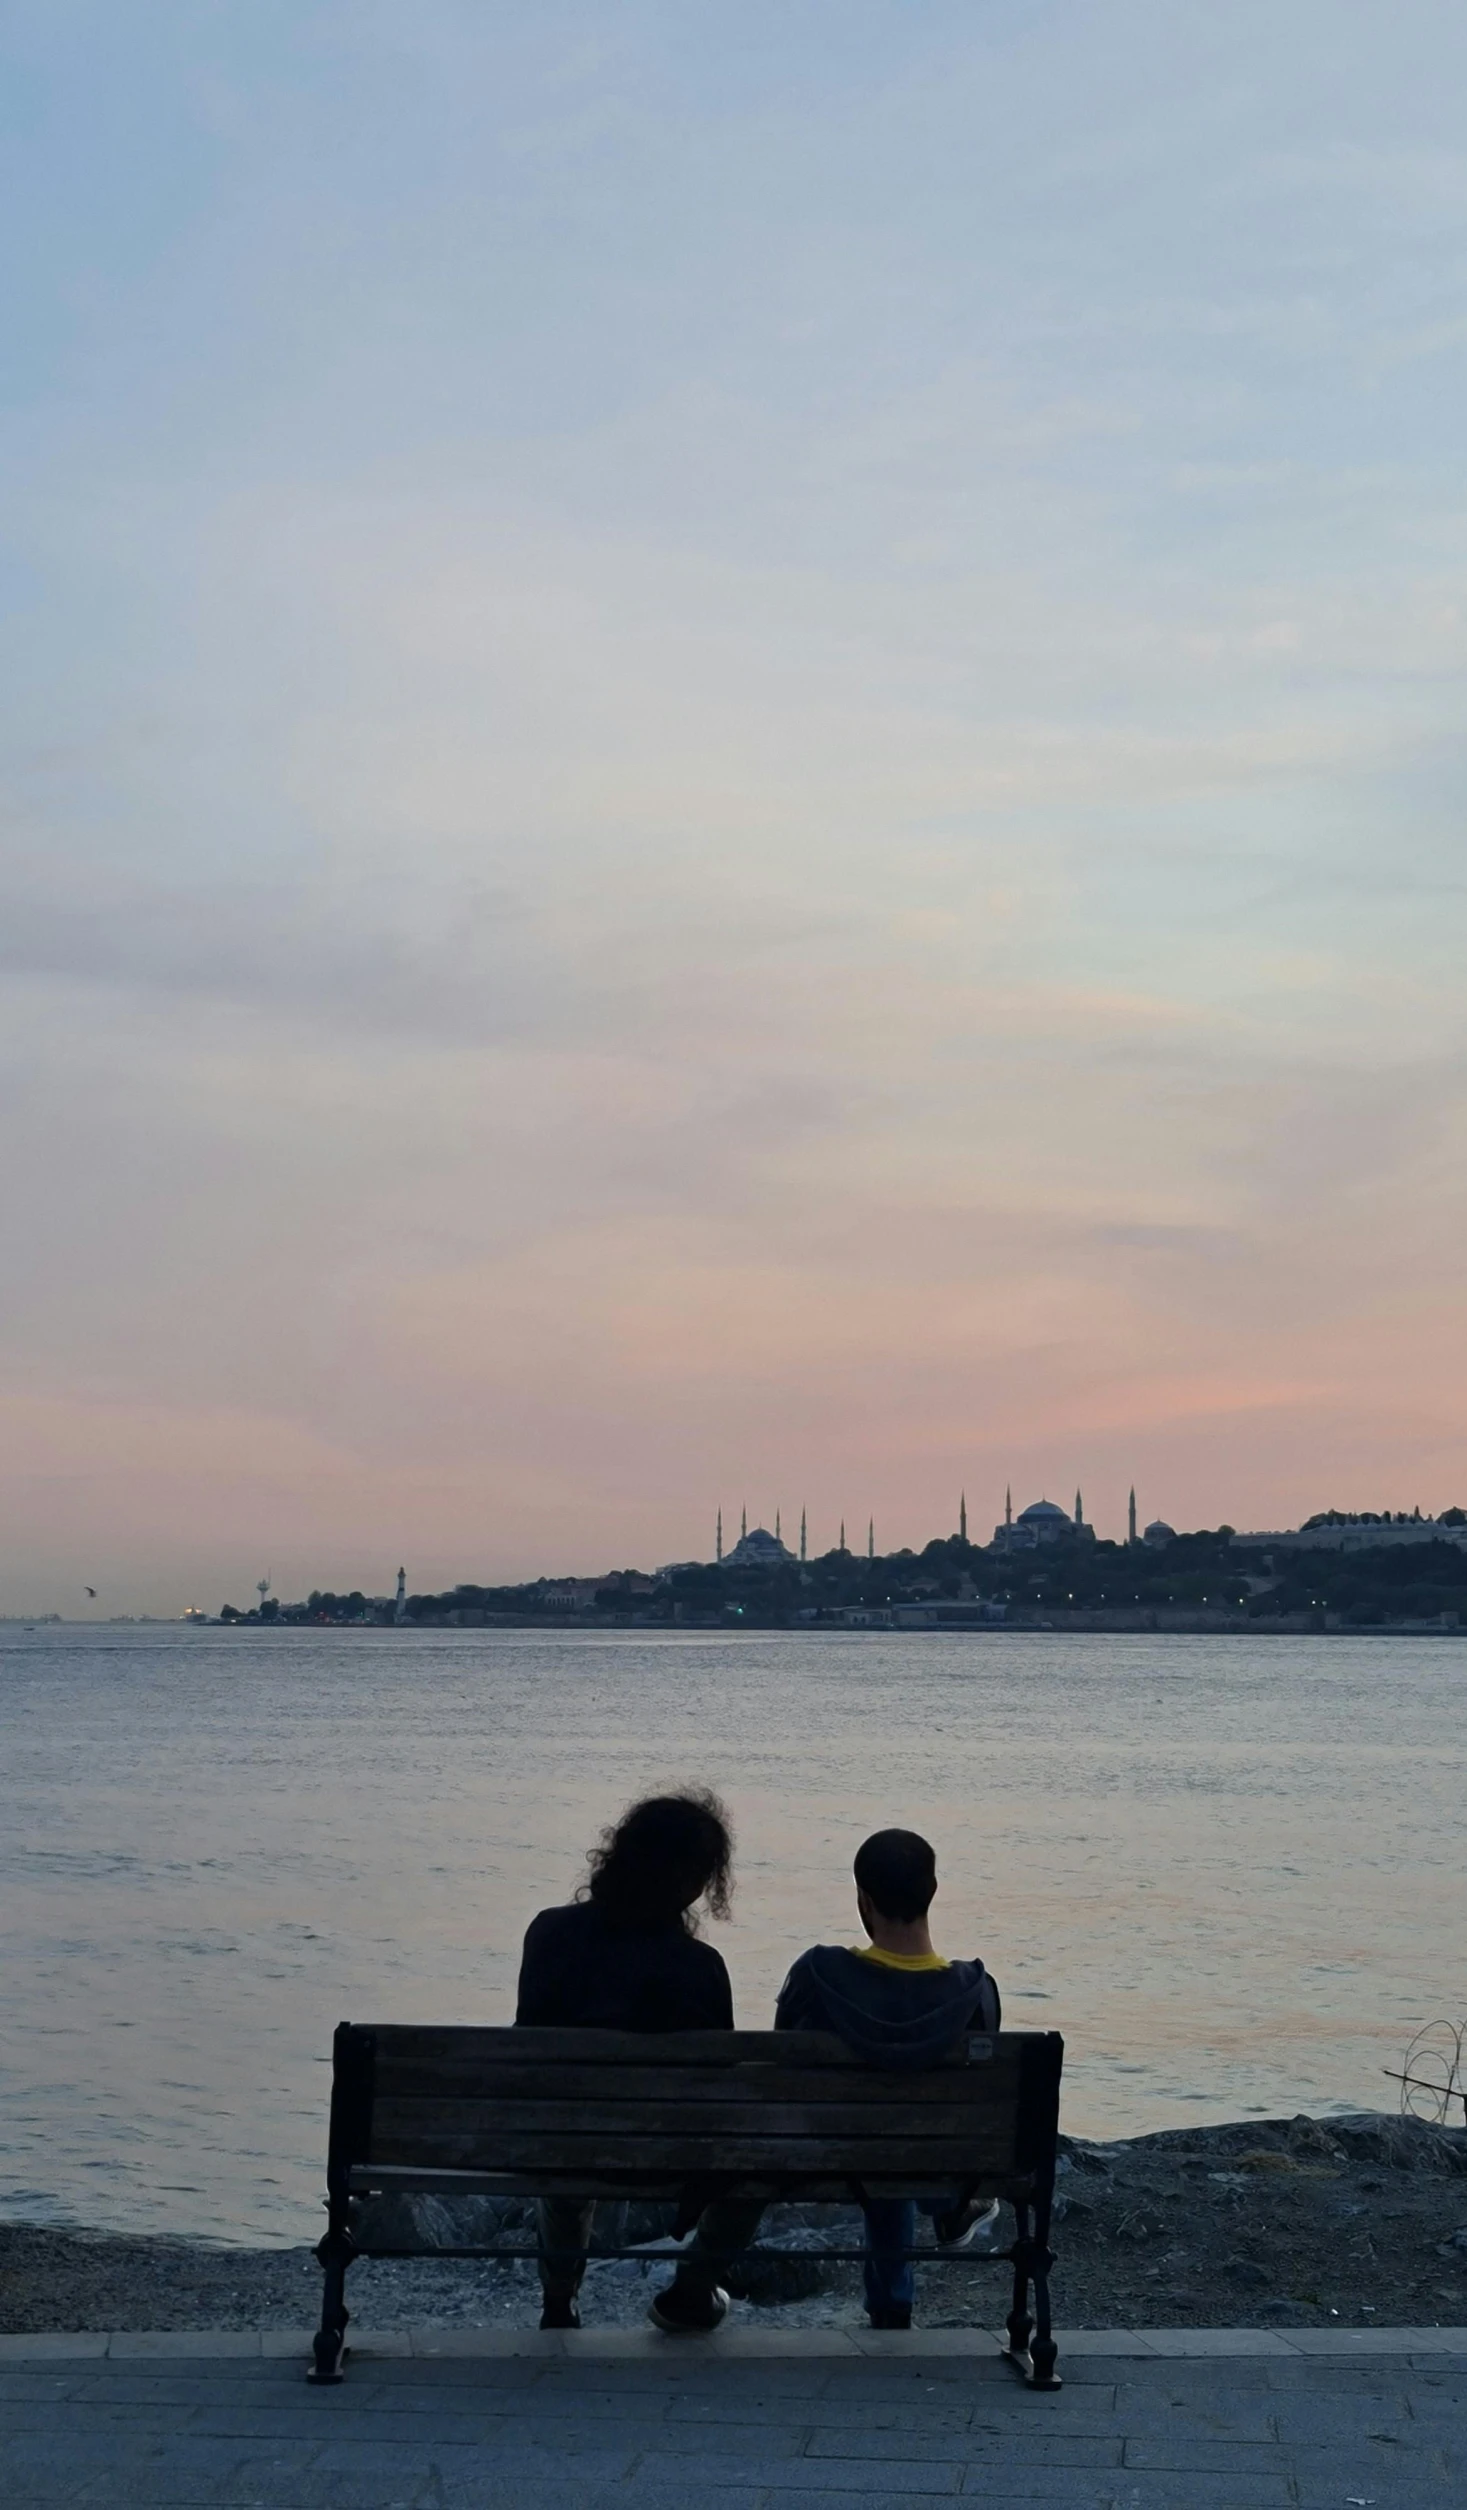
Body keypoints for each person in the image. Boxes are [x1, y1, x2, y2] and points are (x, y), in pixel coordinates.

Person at [654, 1826, 1000, 2332]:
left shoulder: (819, 1974)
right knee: (899, 2138)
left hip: (824, 2152)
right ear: (933, 1893)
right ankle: (904, 2285)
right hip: (924, 2158)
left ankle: (693, 2288)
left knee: (871, 2134)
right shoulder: (975, 1991)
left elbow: (782, 2071)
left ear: (863, 1898)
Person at [515, 1787, 736, 2329]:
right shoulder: (700, 1967)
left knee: (568, 2132)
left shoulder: (550, 1934)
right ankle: (696, 2284)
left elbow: (530, 2053)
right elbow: (721, 2085)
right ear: (692, 1884)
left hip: (564, 2141)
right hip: (665, 2151)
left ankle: (559, 2299)